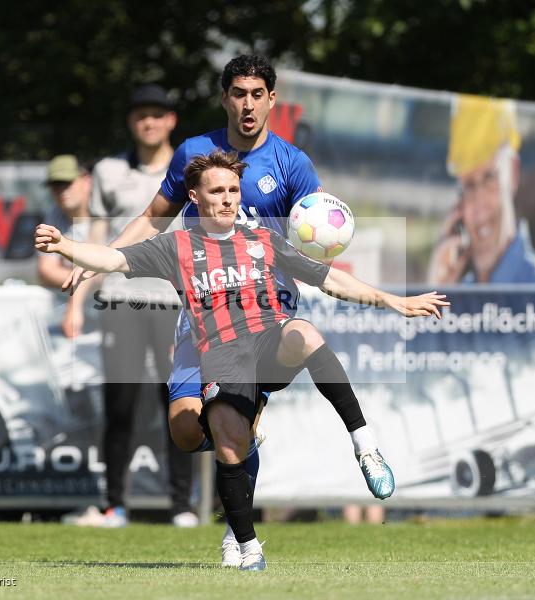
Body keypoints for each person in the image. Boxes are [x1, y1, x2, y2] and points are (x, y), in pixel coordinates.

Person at [36, 149, 450, 571]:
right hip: (218, 351)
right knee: (193, 433)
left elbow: (329, 278)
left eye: (234, 189)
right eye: (218, 191)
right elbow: (115, 258)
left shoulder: (264, 240)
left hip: (268, 340)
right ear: (195, 198)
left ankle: (365, 447)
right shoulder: (175, 246)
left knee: (304, 332)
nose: (229, 198)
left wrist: (393, 300)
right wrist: (66, 245)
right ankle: (243, 536)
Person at [61, 55, 328, 564]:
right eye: (238, 93)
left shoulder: (292, 163)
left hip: (262, 313)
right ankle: (239, 444)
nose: (247, 104)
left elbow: (313, 232)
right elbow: (152, 220)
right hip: (202, 308)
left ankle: (239, 535)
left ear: (272, 99)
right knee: (185, 429)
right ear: (225, 97)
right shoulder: (195, 152)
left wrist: (326, 247)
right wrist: (98, 264)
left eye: (257, 94)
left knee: (236, 421)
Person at [64, 84, 196, 528]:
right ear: (131, 121)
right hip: (120, 299)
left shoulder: (189, 167)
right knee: (119, 406)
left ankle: (183, 506)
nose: (149, 122)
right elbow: (97, 236)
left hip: (171, 302)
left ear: (171, 121)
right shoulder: (107, 170)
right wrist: (78, 297)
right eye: (141, 114)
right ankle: (113, 506)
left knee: (177, 404)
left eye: (158, 114)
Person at [427, 95, 535, 285]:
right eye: (469, 185)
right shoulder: (459, 286)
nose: (479, 204)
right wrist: (438, 292)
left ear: (513, 173)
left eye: (490, 177)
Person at [37, 154, 94, 338]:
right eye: (55, 186)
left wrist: (74, 304)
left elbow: (109, 272)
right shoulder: (55, 214)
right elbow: (46, 271)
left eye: (67, 183)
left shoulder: (105, 212)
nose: (62, 191)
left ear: (86, 181)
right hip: (66, 314)